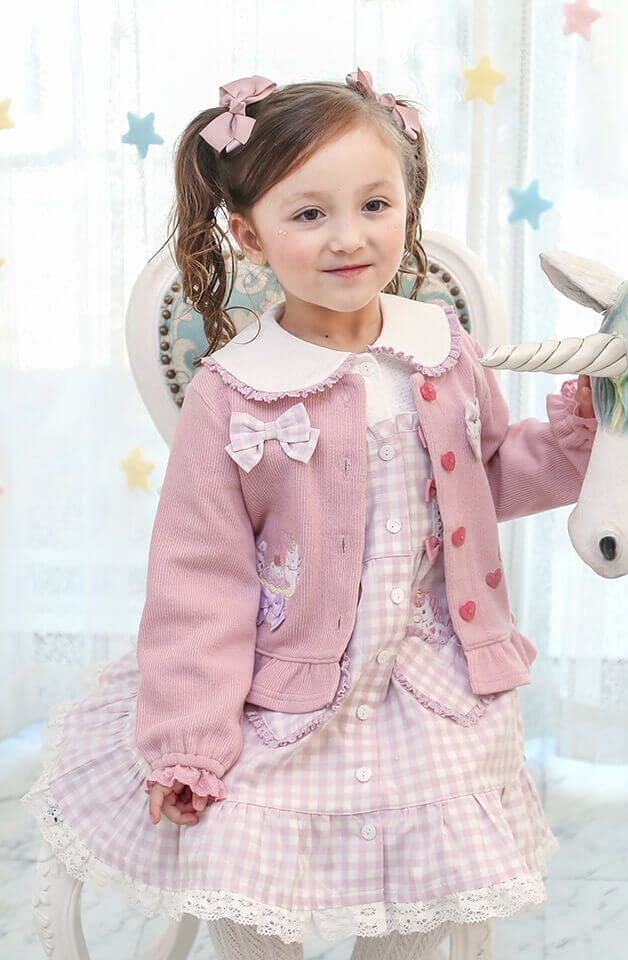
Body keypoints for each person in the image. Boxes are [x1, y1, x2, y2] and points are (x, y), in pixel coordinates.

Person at [21, 70, 596, 960]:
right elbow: (200, 580)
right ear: (249, 234)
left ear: (407, 205)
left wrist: (570, 442)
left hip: (429, 689)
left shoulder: (441, 352)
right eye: (310, 214)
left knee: (423, 890)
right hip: (276, 695)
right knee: (237, 861)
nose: (349, 237)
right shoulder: (233, 392)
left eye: (375, 205)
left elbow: (488, 478)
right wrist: (194, 742)